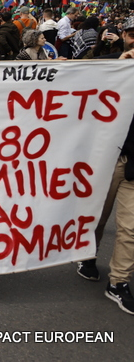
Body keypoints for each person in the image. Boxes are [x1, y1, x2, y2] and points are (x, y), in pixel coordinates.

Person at [79, 17, 134, 314]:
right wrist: (118, 68)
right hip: (107, 159)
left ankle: (119, 282)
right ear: (124, 36)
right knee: (97, 217)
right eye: (132, 35)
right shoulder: (111, 63)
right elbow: (74, 75)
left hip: (133, 165)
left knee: (130, 228)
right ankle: (87, 256)